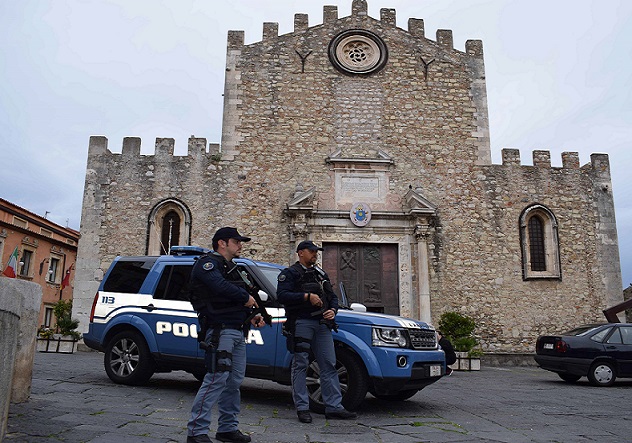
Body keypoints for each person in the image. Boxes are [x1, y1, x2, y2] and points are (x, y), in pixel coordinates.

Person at [186, 227, 265, 443]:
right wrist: (244, 297)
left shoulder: (234, 268)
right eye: (236, 241)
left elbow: (242, 295)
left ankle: (227, 428)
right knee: (215, 379)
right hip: (220, 329)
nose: (240, 245)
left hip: (237, 330)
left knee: (234, 381)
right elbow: (218, 287)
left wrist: (252, 315)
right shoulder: (207, 263)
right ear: (222, 243)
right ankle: (196, 431)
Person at [276, 240, 357, 423]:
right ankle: (302, 408)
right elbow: (281, 296)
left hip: (322, 324)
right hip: (302, 322)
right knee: (301, 364)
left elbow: (332, 297)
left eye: (316, 251)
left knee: (329, 364)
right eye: (311, 251)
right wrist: (306, 297)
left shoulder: (320, 274)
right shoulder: (289, 274)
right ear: (300, 253)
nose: (315, 254)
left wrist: (333, 310)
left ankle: (334, 407)